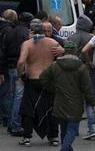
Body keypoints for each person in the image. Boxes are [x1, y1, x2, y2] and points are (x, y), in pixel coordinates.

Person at [40, 41, 95, 151]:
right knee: (72, 128)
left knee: (64, 128)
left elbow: (43, 78)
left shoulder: (55, 65)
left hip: (59, 101)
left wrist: (53, 88)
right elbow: (87, 88)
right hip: (75, 102)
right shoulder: (81, 67)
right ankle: (64, 149)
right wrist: (93, 103)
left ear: (64, 51)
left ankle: (66, 148)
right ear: (75, 51)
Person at [17, 19, 64, 147]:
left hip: (33, 79)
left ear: (31, 30)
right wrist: (62, 51)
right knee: (50, 108)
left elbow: (21, 62)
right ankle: (53, 137)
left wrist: (20, 74)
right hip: (49, 79)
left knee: (28, 109)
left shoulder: (27, 44)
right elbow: (64, 56)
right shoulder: (53, 42)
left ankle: (27, 137)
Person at [0, 11, 32, 136]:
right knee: (19, 97)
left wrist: (1, 70)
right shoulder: (25, 33)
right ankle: (16, 125)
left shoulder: (10, 31)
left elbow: (2, 51)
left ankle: (11, 123)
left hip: (10, 67)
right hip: (19, 66)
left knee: (13, 96)